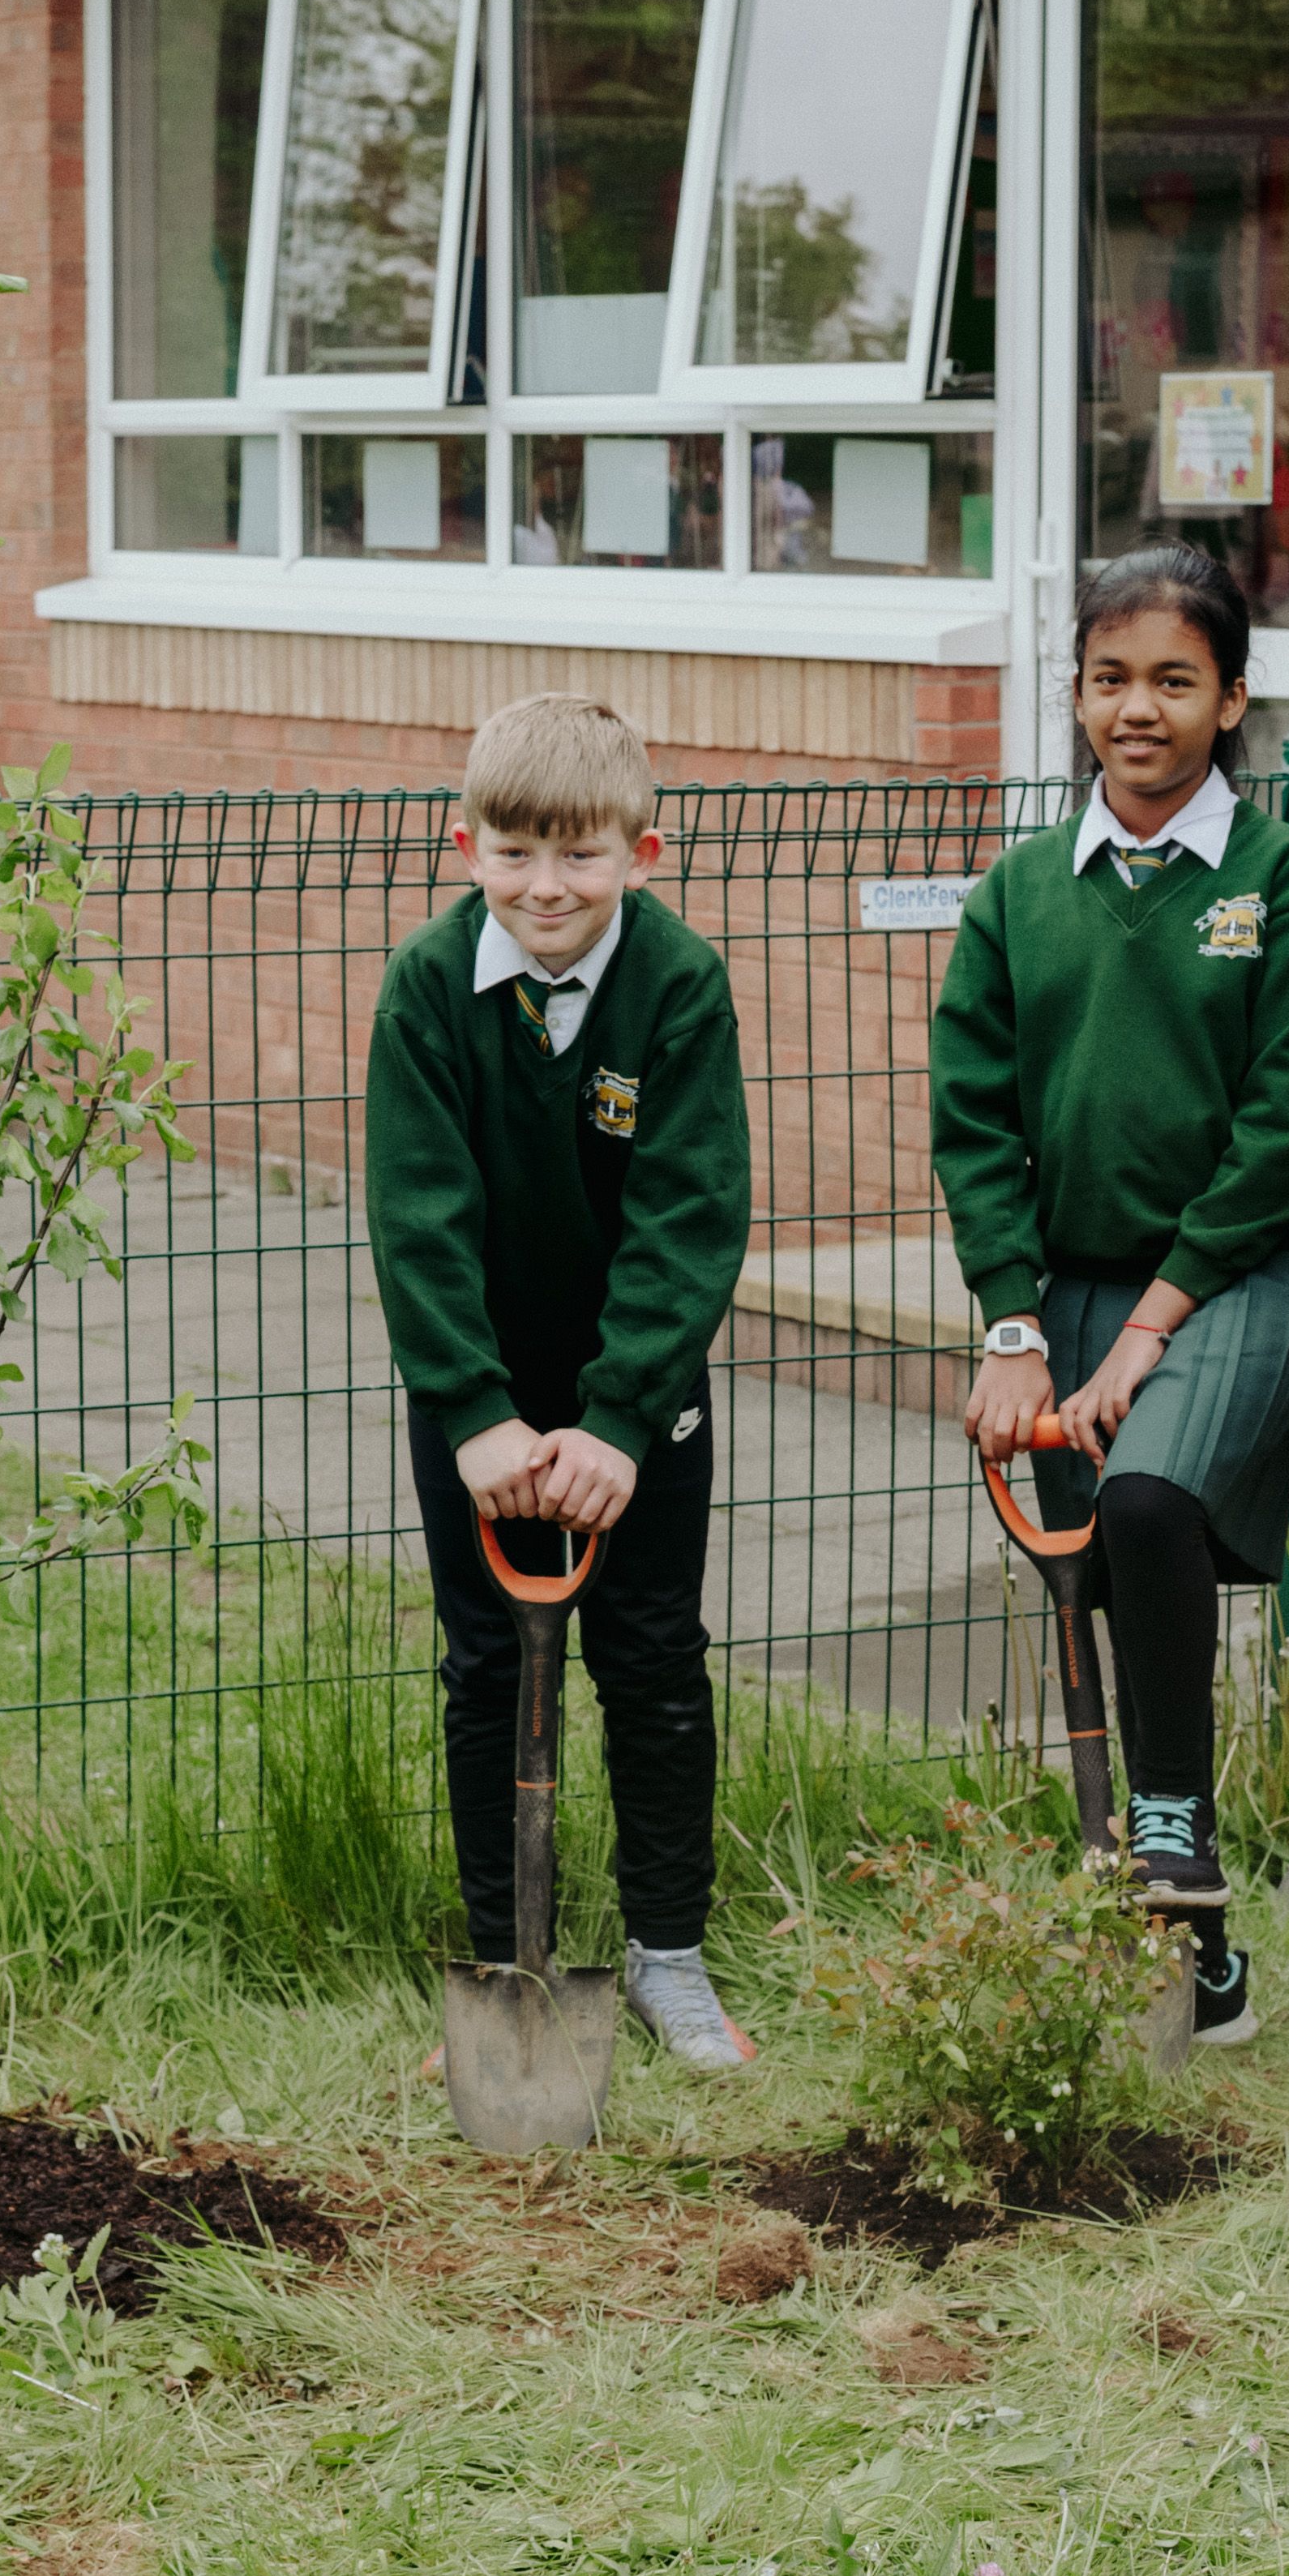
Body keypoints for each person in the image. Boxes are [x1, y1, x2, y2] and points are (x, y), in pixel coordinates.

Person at [931, 545, 1289, 2048]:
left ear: (1231, 699)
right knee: (1103, 1584)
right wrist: (1007, 1321)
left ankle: (1169, 1820)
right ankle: (1205, 1964)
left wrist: (1147, 1325)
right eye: (1111, 679)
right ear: (1073, 695)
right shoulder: (1015, 898)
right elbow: (973, 1121)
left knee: (1152, 1500)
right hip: (1071, 1279)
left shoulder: (1282, 883)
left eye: (1173, 680)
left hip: (1252, 1266)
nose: (1138, 709)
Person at [365, 692, 756, 2067]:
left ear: (640, 855)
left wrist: (616, 1423)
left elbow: (689, 1220)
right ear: (463, 842)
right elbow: (419, 1218)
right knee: (485, 1673)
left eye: (580, 856)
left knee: (649, 1663)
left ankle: (668, 1957)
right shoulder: (426, 989)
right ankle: (502, 1955)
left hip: (635, 1411)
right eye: (517, 853)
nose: (547, 886)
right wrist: (475, 1415)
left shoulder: (677, 985)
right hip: (476, 1408)